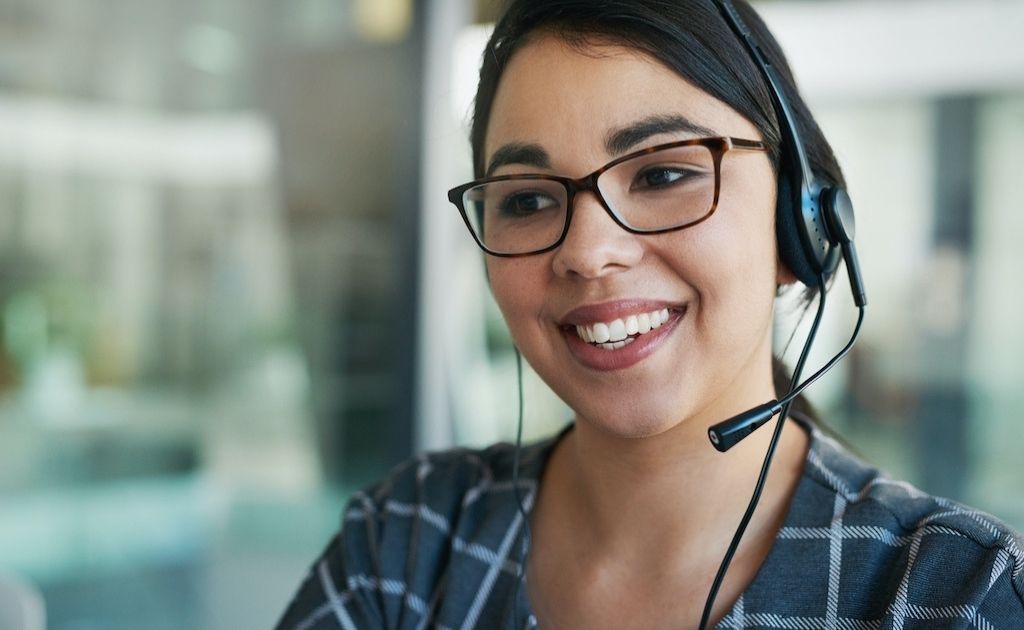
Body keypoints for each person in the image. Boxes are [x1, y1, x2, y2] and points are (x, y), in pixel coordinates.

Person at [276, 1, 1024, 628]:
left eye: (664, 173)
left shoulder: (955, 594)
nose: (589, 252)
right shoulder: (408, 543)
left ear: (803, 223)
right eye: (529, 200)